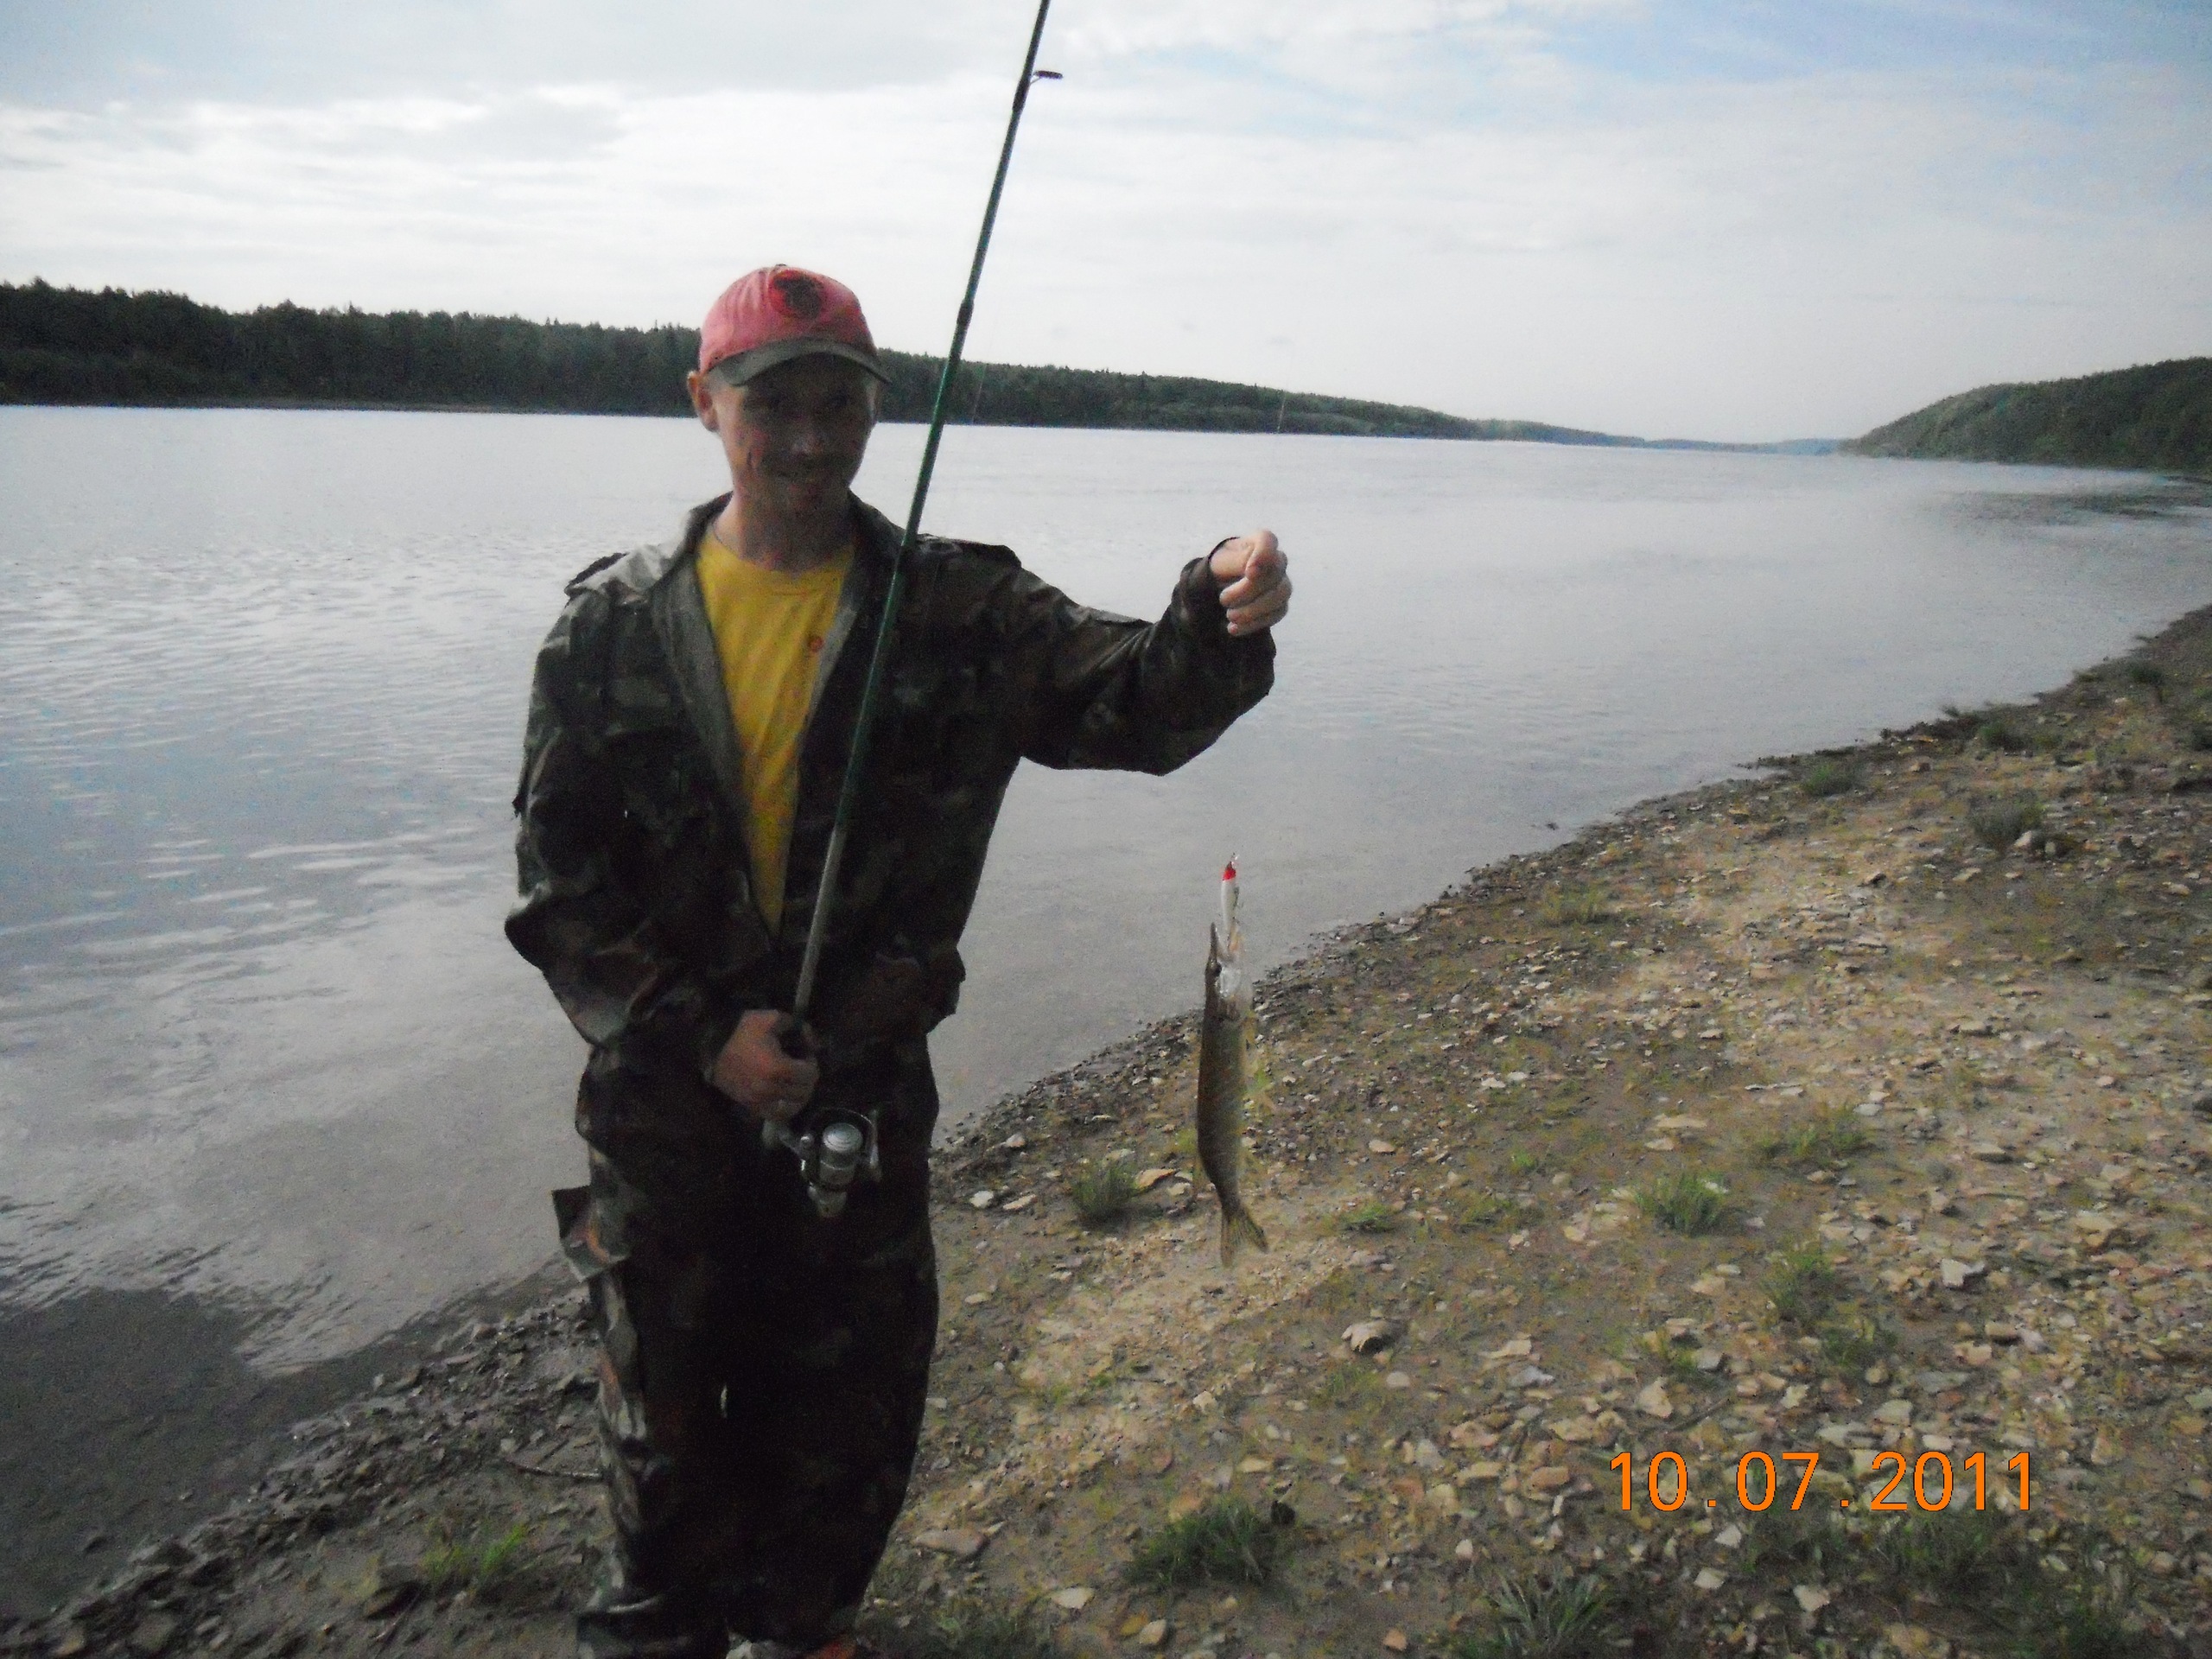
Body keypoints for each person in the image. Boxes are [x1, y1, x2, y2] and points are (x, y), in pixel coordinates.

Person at [507, 264, 1291, 1659]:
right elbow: (560, 891)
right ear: (704, 405)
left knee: (847, 1425)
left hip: (859, 1102)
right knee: (661, 1446)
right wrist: (705, 1038)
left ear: (875, 413)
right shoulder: (608, 628)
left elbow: (1136, 702)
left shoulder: (960, 610)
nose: (810, 439)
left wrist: (1219, 606)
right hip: (666, 1116)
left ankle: (805, 1631)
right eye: (773, 406)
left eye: (840, 405)